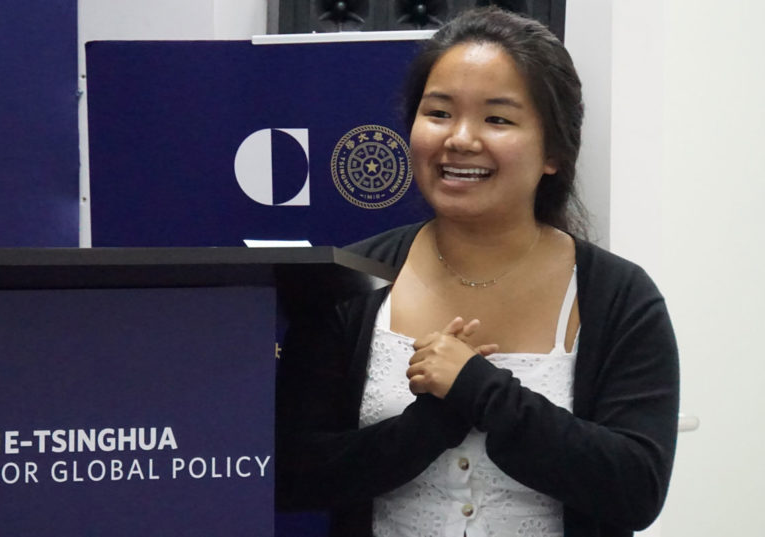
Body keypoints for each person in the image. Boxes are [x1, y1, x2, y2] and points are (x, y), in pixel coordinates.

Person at [275, 6, 679, 537]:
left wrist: (482, 392)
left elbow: (635, 488)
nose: (460, 139)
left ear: (554, 150)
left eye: (497, 119)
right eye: (439, 113)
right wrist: (428, 426)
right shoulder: (348, 281)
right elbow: (293, 476)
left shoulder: (619, 296)